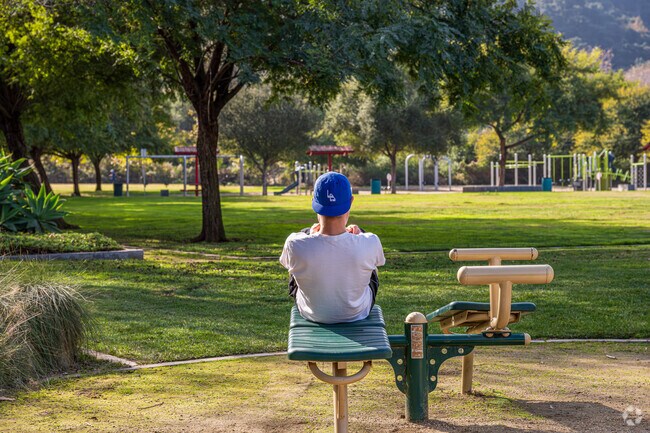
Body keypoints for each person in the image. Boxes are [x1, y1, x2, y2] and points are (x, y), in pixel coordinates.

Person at [279, 172, 385, 324]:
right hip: (358, 312)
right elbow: (376, 264)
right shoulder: (371, 241)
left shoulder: (294, 243)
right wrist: (359, 234)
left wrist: (310, 233)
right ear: (351, 201)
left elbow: (288, 264)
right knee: (371, 264)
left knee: (296, 259)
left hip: (311, 313)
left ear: (314, 202)